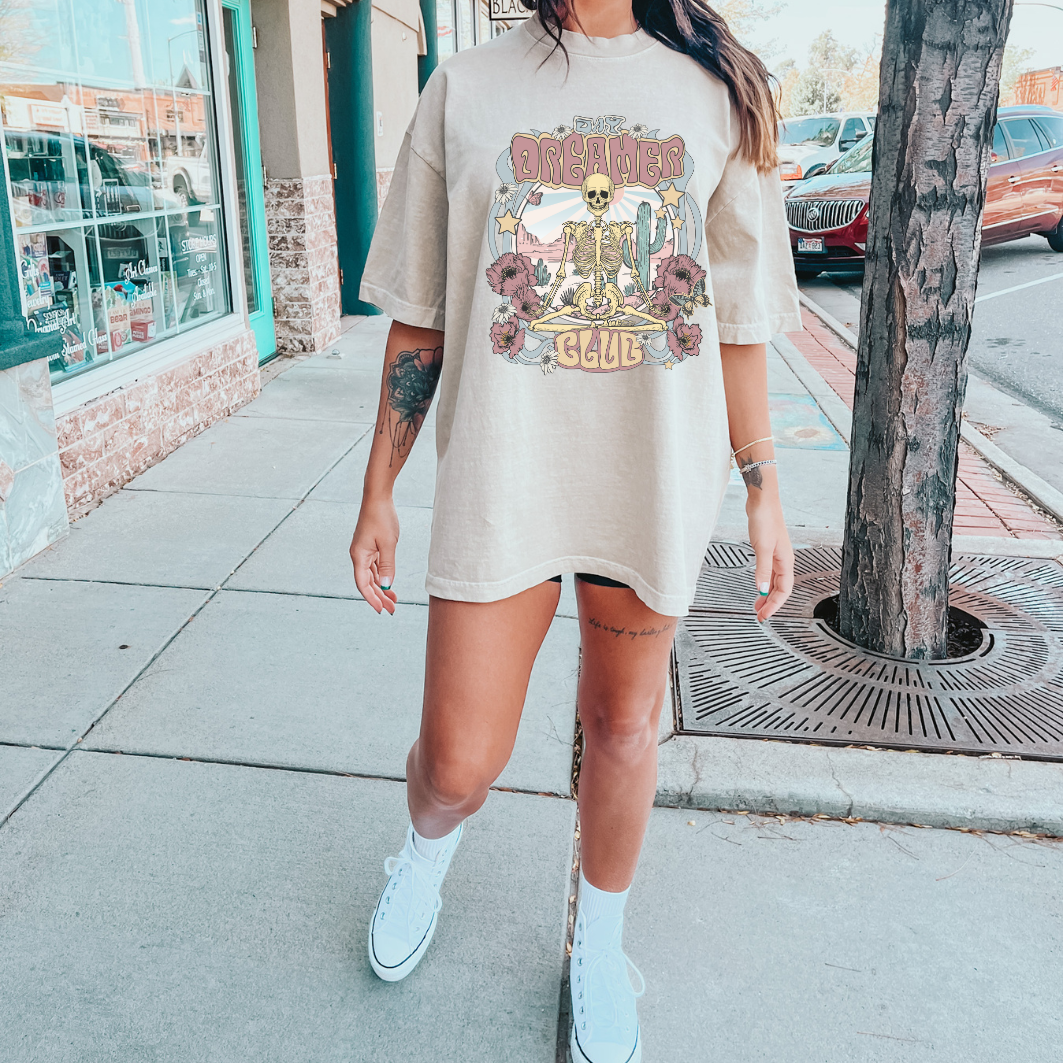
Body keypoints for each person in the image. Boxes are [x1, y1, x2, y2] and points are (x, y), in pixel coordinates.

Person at [349, 0, 800, 1057]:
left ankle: (598, 938)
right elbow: (420, 311)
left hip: (651, 476)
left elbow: (737, 320)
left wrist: (762, 485)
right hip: (502, 473)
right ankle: (424, 852)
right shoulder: (464, 87)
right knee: (457, 762)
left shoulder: (718, 93)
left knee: (624, 725)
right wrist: (379, 490)